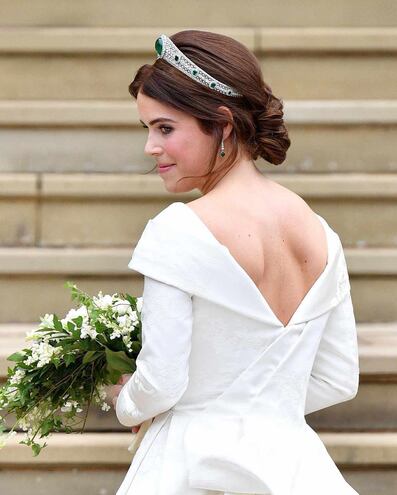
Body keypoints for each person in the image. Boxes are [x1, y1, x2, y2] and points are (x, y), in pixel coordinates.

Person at [110, 30, 360, 495]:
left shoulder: (180, 229)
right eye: (147, 129)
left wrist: (127, 402)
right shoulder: (322, 233)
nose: (150, 147)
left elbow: (162, 381)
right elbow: (337, 378)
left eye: (165, 128)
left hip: (191, 463)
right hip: (294, 470)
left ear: (223, 125)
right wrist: (262, 411)